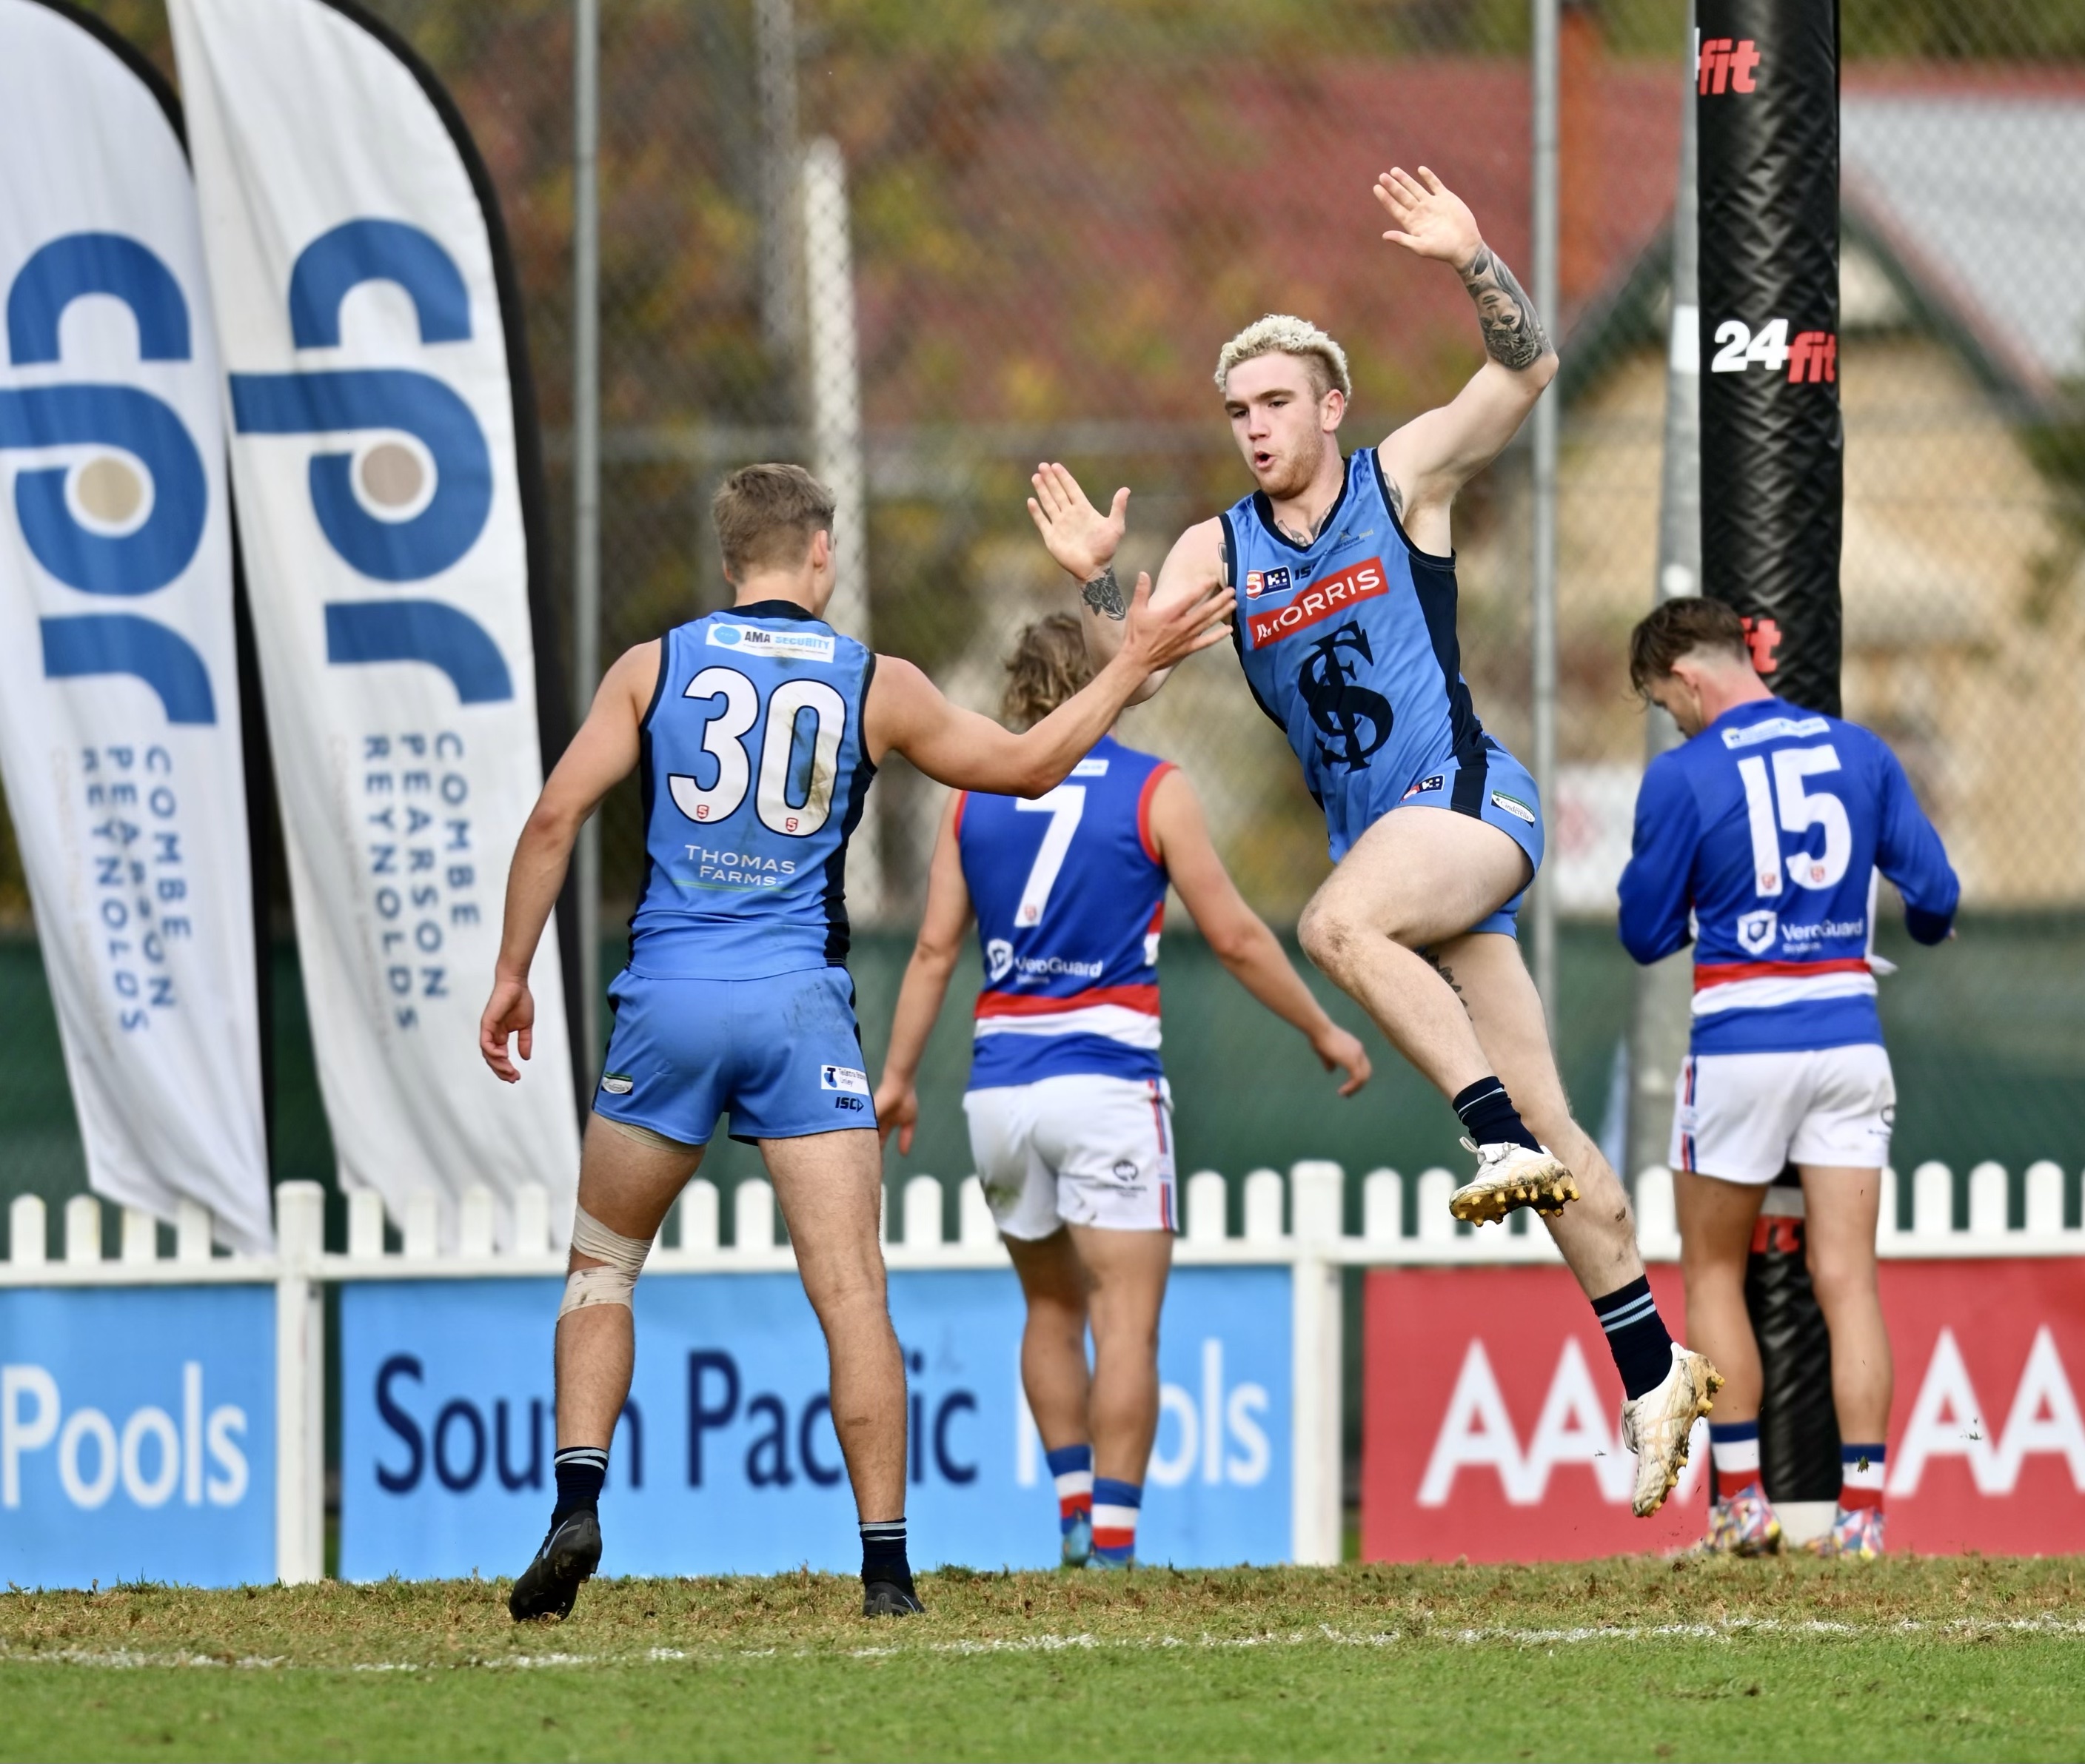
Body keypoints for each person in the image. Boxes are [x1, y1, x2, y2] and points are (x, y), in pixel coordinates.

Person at [1024, 165, 1717, 1516]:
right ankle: (1654, 1372)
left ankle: (1485, 1136)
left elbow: (1527, 370)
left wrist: (1472, 262)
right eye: (1237, 411)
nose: (1255, 428)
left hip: (1470, 804)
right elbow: (1138, 668)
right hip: (1411, 861)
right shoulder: (1220, 546)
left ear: (1330, 407)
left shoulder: (1399, 481)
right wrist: (1099, 581)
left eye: (1277, 402)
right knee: (1566, 1140)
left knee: (1336, 925)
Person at [478, 464, 1231, 1620]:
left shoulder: (653, 667)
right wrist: (1127, 660)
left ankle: (576, 1505)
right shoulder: (875, 683)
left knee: (602, 1271)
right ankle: (886, 1573)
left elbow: (552, 819)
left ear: (731, 562)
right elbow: (1029, 766)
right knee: (852, 1297)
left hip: (668, 999)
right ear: (820, 555)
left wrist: (513, 973)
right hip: (797, 1015)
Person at [872, 614, 1372, 1569]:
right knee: (1126, 1322)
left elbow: (936, 950)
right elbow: (1232, 936)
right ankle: (1111, 1542)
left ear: (1018, 690)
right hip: (1106, 1083)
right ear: (1108, 683)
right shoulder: (1155, 789)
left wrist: (898, 1079)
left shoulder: (973, 800)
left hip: (1001, 1092)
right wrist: (1322, 1028)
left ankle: (1069, 1510)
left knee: (1049, 1313)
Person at [1618, 596, 1960, 1559]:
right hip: (1850, 1037)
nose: (1672, 719)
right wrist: (1923, 929)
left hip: (1740, 1045)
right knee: (1848, 1280)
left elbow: (1644, 933)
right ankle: (1863, 1518)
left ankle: (1742, 1505)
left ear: (1688, 677)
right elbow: (1934, 896)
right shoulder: (1862, 753)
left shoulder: (1683, 776)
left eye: (1664, 701)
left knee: (1715, 1271)